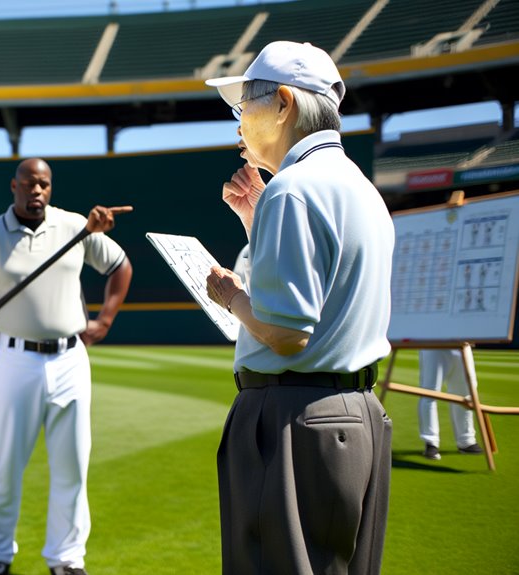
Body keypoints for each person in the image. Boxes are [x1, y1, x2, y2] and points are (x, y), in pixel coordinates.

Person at [203, 41, 395, 574]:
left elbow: (288, 334)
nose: (238, 122)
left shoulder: (292, 190)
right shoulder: (359, 186)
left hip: (293, 419)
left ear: (284, 103)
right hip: (357, 413)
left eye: (245, 107)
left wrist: (230, 296)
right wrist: (253, 216)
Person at [0, 158, 133, 575]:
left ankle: (66, 559)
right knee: (6, 464)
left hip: (69, 359)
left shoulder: (75, 225)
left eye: (44, 184)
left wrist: (105, 320)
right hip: (14, 359)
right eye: (29, 184)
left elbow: (119, 267)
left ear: (51, 187)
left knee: (73, 465)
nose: (37, 191)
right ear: (14, 186)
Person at [418, 348, 483, 460]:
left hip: (462, 344)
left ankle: (466, 441)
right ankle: (431, 442)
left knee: (466, 394)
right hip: (433, 343)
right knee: (430, 393)